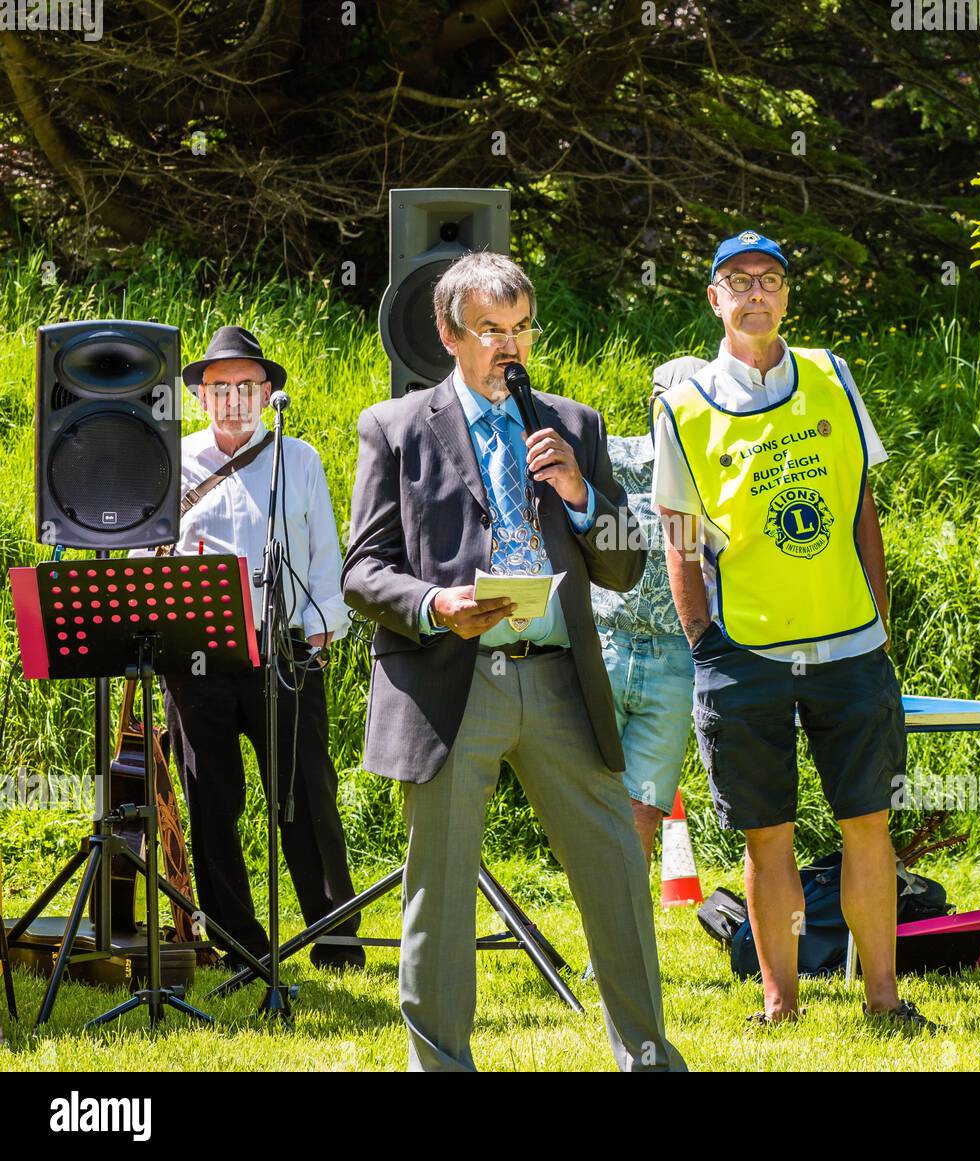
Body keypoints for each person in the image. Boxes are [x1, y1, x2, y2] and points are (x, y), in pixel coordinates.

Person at [342, 250, 686, 1072]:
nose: (511, 347)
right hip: (455, 678)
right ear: (449, 334)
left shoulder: (573, 424)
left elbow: (624, 564)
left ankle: (647, 1058)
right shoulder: (394, 427)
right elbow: (362, 568)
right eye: (492, 330)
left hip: (560, 678)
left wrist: (583, 497)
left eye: (522, 328)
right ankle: (443, 1065)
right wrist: (436, 604)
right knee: (442, 886)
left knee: (614, 868)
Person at [652, 231, 936, 1030]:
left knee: (868, 824)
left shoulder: (832, 374)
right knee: (766, 835)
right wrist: (704, 639)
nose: (755, 292)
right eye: (737, 280)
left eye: (769, 279)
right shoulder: (683, 402)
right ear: (714, 298)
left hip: (849, 647)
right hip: (745, 655)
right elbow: (680, 536)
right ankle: (780, 1005)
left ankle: (884, 997)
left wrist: (878, 620)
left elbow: (859, 507)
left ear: (786, 294)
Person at [161, 325, 363, 971]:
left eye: (245, 386)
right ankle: (240, 941)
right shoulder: (173, 463)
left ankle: (333, 937)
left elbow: (326, 553)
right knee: (211, 795)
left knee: (306, 794)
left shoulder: (296, 457)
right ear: (199, 397)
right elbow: (145, 557)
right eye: (218, 388)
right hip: (198, 658)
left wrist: (323, 628)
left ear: (267, 391)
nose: (231, 399)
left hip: (285, 652)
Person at [591, 357, 706, 865]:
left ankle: (625, 940)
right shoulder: (609, 457)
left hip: (674, 658)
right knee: (593, 801)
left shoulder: (721, 473)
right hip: (604, 645)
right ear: (655, 403)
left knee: (643, 806)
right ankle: (604, 930)